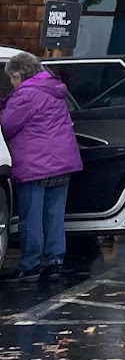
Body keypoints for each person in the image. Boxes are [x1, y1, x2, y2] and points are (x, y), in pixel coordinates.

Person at [1, 52, 84, 282]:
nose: (11, 83)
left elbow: (6, 125)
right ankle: (53, 262)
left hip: (35, 165)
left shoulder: (26, 94)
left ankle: (30, 264)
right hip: (62, 163)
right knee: (54, 214)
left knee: (32, 217)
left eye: (12, 78)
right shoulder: (52, 89)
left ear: (19, 75)